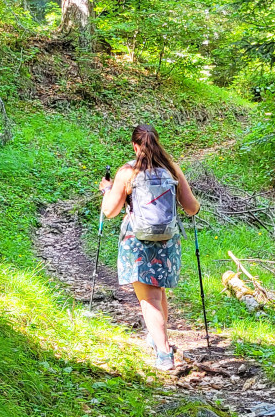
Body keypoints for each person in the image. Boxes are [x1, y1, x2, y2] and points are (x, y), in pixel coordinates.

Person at [99, 124, 200, 370]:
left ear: (135, 146)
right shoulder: (172, 169)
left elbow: (109, 211)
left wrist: (107, 190)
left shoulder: (127, 173)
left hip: (138, 243)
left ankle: (164, 353)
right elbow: (192, 208)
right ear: (157, 142)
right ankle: (158, 340)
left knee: (150, 299)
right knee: (158, 292)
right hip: (167, 243)